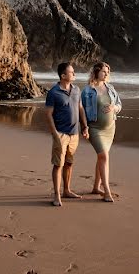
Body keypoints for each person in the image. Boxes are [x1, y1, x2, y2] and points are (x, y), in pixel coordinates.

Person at [44, 62, 89, 207]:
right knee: (58, 164)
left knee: (69, 163)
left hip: (74, 133)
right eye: (71, 72)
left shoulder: (76, 90)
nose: (74, 74)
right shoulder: (53, 92)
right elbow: (48, 114)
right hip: (61, 134)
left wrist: (85, 126)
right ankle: (57, 195)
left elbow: (80, 108)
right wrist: (55, 133)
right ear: (63, 76)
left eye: (73, 71)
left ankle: (67, 190)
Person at [81, 61, 122, 202]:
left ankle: (96, 187)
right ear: (96, 72)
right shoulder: (87, 90)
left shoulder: (110, 88)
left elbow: (119, 105)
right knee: (104, 156)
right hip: (95, 128)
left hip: (110, 128)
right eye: (103, 71)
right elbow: (82, 111)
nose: (106, 74)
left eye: (107, 72)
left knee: (101, 157)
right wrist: (84, 127)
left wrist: (113, 108)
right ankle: (107, 191)